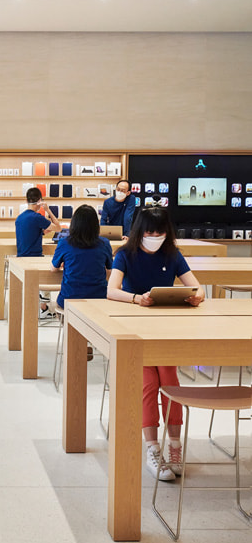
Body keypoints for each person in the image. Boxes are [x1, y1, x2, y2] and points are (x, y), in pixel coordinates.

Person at [107, 205, 205, 482]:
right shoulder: (125, 254)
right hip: (134, 330)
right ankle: (152, 447)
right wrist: (137, 298)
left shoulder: (172, 255)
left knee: (170, 382)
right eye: (149, 232)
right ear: (140, 231)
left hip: (165, 330)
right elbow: (111, 290)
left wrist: (197, 296)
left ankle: (175, 446)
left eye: (160, 232)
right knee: (148, 384)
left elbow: (198, 287)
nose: (154, 236)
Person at [51, 203, 113, 312]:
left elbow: (53, 269)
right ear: (96, 225)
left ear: (74, 223)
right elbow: (110, 270)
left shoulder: (64, 243)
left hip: (69, 298)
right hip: (99, 299)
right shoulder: (104, 243)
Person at [15, 187, 62, 317]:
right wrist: (48, 210)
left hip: (21, 258)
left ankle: (41, 306)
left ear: (26, 200)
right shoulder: (37, 217)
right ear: (40, 201)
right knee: (52, 271)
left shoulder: (20, 218)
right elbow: (58, 228)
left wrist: (42, 231)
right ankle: (44, 307)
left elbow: (33, 232)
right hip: (34, 259)